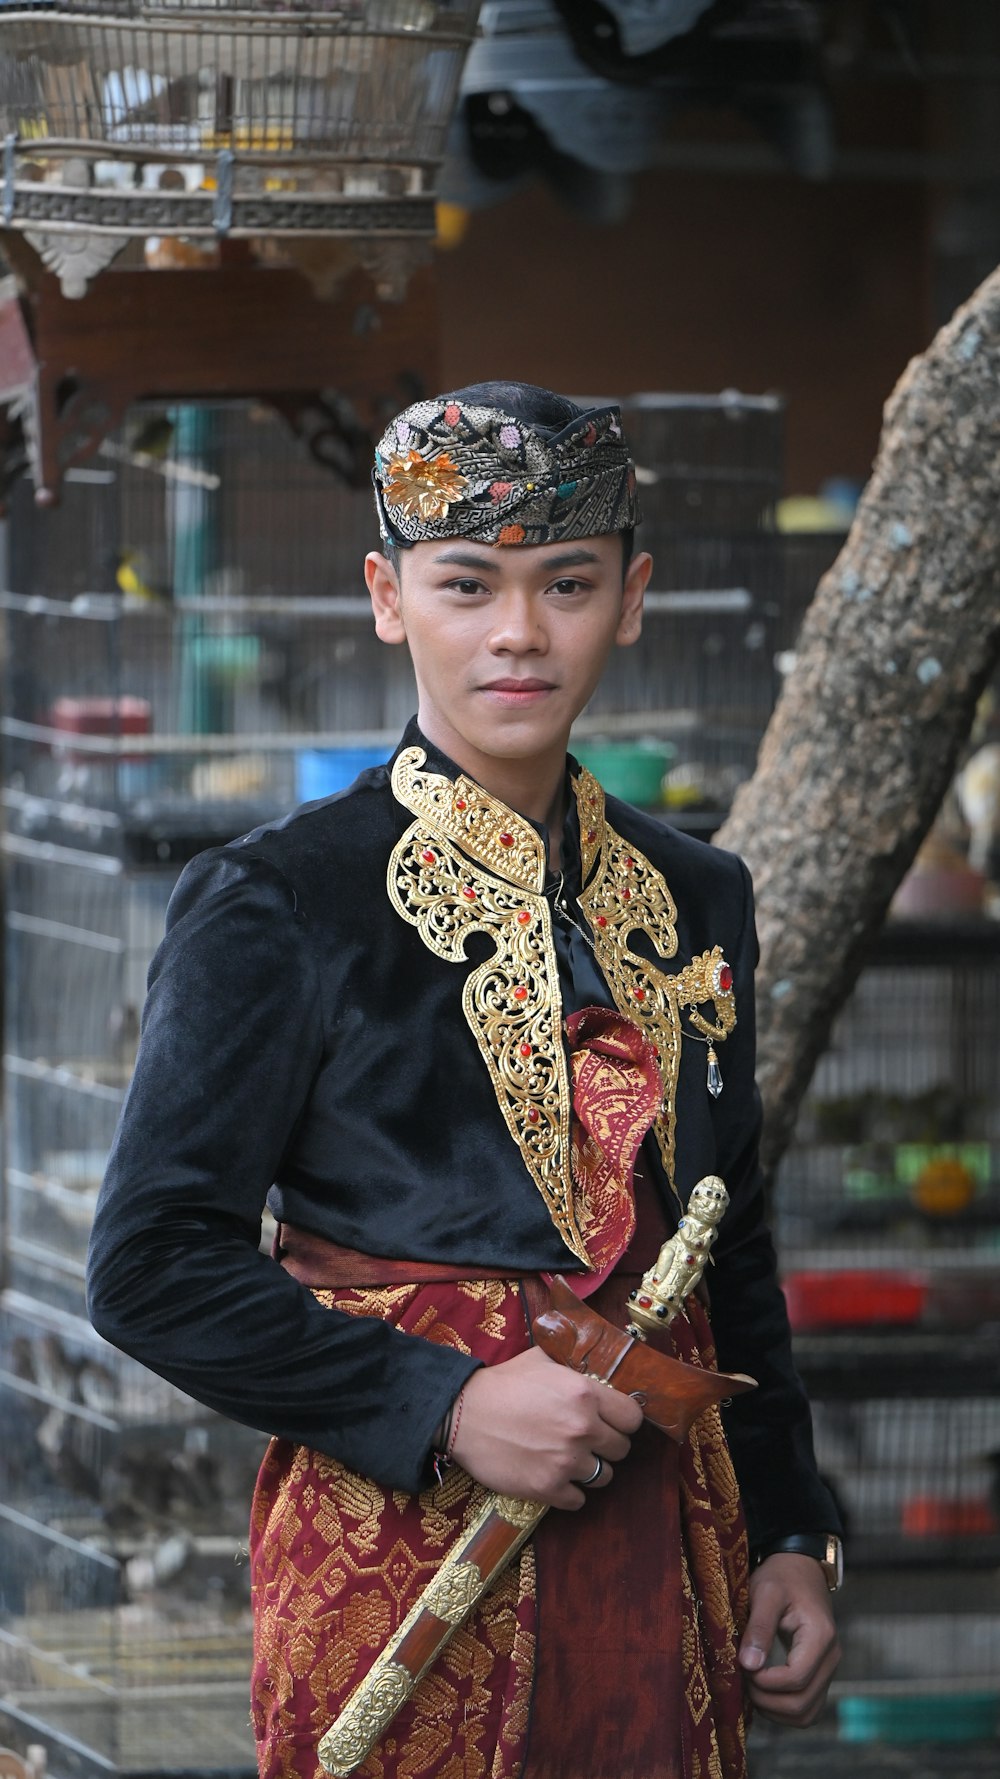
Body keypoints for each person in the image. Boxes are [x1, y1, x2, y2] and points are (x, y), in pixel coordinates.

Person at [88, 381, 842, 1779]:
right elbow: (150, 1263)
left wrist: (795, 1531)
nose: (518, 631)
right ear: (388, 596)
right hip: (403, 1556)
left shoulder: (698, 896)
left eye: (566, 583)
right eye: (467, 584)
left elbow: (727, 1238)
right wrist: (442, 1406)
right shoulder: (277, 901)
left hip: (662, 1529)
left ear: (630, 598)